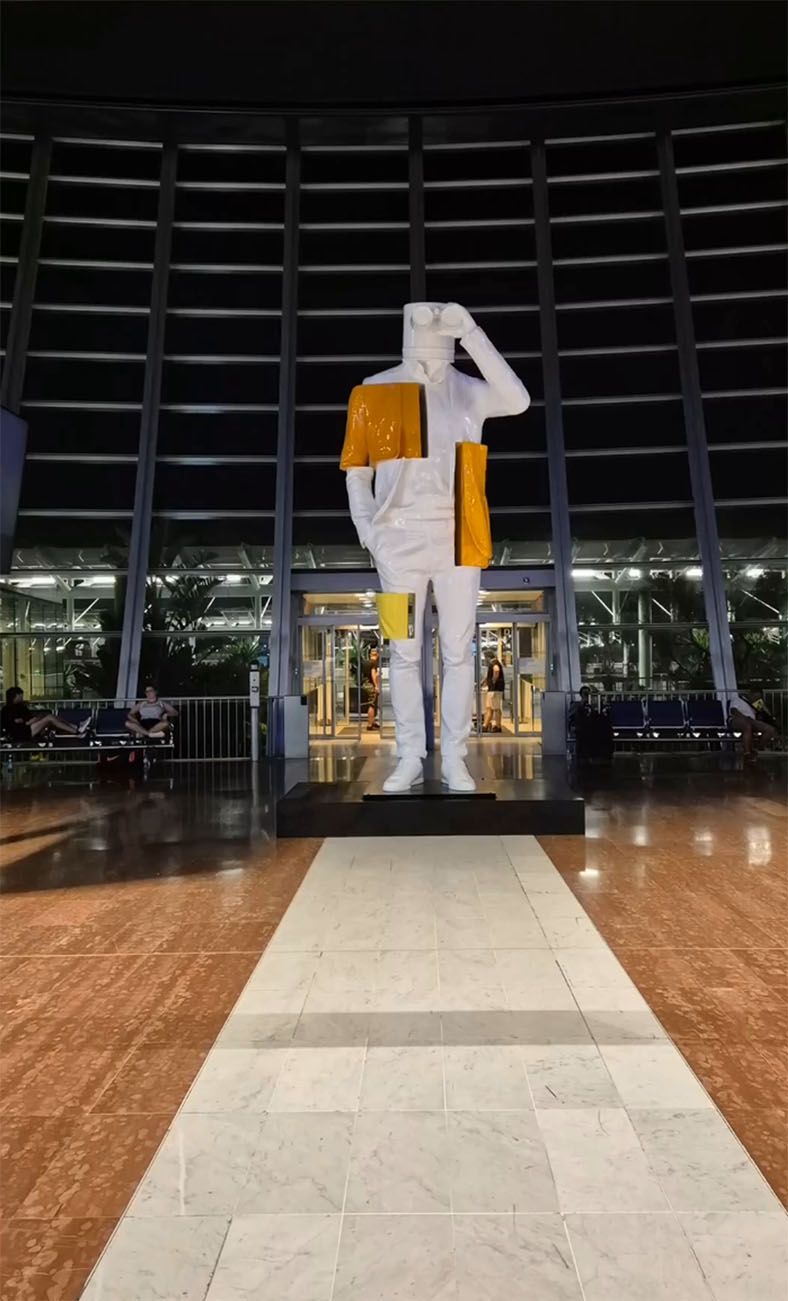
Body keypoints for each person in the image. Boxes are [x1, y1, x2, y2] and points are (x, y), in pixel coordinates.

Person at [342, 301, 530, 792]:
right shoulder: (372, 390)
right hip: (397, 545)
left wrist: (471, 333)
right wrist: (371, 535)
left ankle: (454, 757)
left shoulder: (468, 391)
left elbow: (519, 399)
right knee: (401, 652)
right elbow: (356, 472)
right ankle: (409, 755)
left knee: (458, 651)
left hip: (458, 540)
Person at [0, 685, 90, 742]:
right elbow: (16, 724)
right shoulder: (7, 710)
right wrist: (30, 721)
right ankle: (76, 732)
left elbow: (27, 718)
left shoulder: (21, 707)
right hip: (21, 732)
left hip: (28, 727)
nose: (22, 698)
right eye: (20, 696)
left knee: (52, 717)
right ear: (14, 696)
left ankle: (76, 727)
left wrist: (35, 719)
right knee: (49, 718)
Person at [730, 688, 778, 763]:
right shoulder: (737, 699)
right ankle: (747, 753)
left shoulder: (756, 704)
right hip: (738, 719)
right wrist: (744, 718)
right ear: (750, 694)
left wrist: (761, 706)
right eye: (755, 697)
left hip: (752, 721)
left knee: (770, 730)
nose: (756, 699)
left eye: (758, 698)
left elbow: (765, 714)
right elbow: (733, 711)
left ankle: (756, 748)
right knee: (747, 726)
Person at [483, 659, 505, 732]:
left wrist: (493, 681)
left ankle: (497, 726)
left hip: (495, 689)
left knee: (495, 708)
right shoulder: (494, 663)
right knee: (490, 708)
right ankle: (485, 725)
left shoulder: (494, 663)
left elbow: (496, 670)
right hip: (494, 689)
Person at [362, 645, 381, 731]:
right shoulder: (374, 663)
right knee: (372, 705)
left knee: (373, 704)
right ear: (377, 655)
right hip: (370, 685)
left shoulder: (366, 663)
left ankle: (372, 722)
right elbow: (373, 674)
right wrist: (376, 686)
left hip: (365, 684)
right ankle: (370, 724)